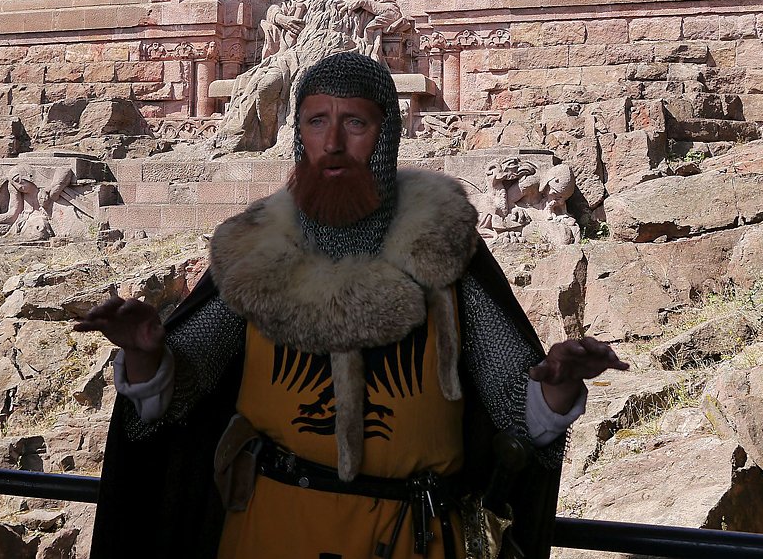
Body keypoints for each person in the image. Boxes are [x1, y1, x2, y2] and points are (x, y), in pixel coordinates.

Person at [76, 51, 627, 559]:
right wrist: (147, 356)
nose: (333, 143)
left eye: (355, 123)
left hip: (414, 539)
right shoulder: (257, 250)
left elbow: (513, 411)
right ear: (298, 133)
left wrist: (555, 388)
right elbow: (176, 403)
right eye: (317, 121)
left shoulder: (446, 250)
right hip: (271, 532)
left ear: (386, 135)